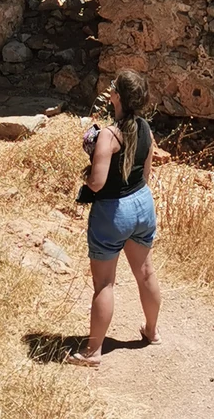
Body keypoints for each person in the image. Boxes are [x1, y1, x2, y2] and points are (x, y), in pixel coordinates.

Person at [67, 69, 161, 367]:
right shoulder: (146, 128)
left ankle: (93, 352)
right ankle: (151, 331)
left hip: (113, 212)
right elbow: (145, 174)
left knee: (104, 284)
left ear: (116, 97)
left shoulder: (108, 135)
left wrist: (90, 162)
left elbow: (97, 182)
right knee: (145, 272)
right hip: (142, 204)